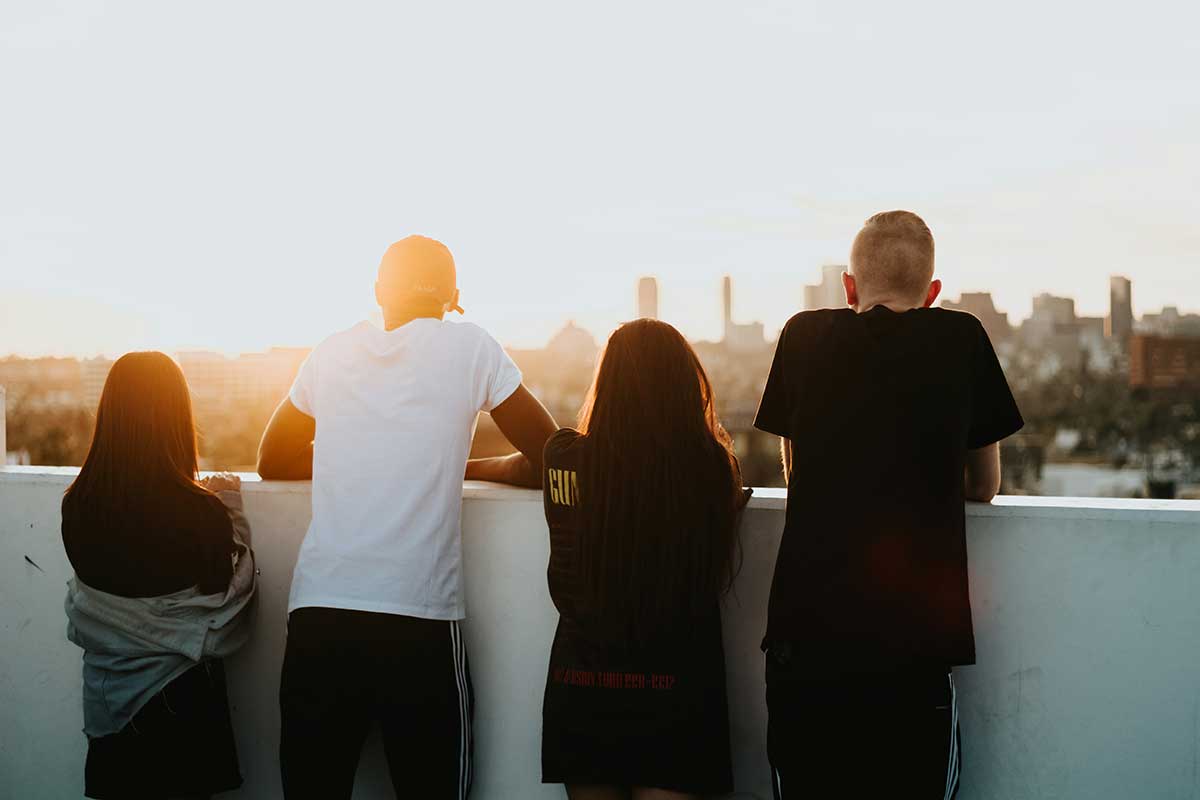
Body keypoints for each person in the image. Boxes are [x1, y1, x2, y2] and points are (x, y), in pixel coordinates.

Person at [258, 234, 558, 799]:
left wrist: (362, 449)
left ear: (377, 292)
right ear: (454, 298)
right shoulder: (471, 347)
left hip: (321, 612)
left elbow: (271, 459)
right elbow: (552, 454)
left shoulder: (332, 350)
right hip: (416, 619)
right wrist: (459, 461)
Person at [754, 210, 1024, 799]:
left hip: (808, 639)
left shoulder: (803, 335)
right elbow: (984, 485)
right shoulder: (962, 338)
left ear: (848, 288)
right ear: (933, 293)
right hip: (914, 645)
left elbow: (797, 472)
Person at [539, 319, 750, 800]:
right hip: (676, 693)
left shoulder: (561, 458)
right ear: (684, 384)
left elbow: (535, 466)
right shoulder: (709, 470)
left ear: (606, 382)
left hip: (583, 687)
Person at [61, 351, 256, 800]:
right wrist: (232, 511)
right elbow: (227, 601)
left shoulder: (77, 506)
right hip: (181, 708)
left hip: (108, 710)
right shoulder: (200, 511)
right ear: (176, 417)